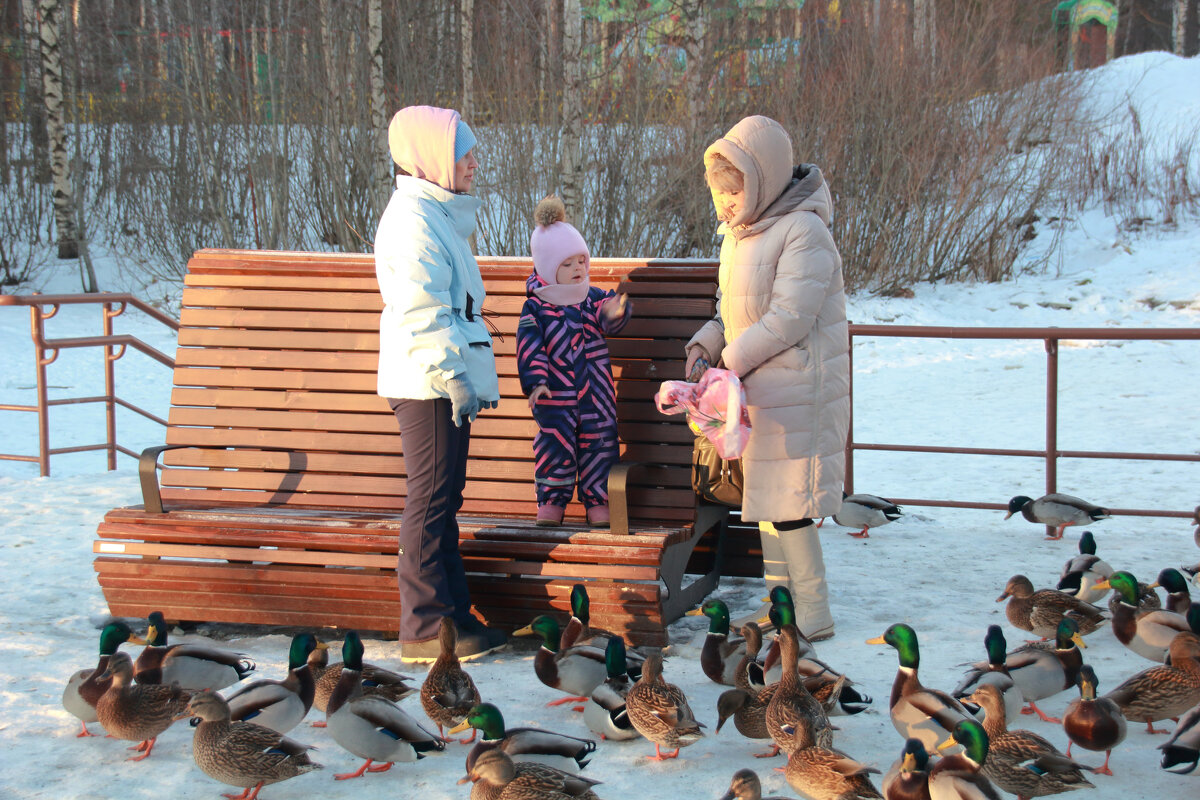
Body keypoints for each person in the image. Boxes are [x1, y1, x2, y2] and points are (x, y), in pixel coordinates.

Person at [684, 115, 850, 642]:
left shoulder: (804, 229)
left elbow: (788, 318)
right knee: (766, 507)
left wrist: (728, 362)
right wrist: (705, 347)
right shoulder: (738, 236)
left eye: (734, 191)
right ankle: (782, 611)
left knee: (792, 508)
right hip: (759, 391)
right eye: (719, 194)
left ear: (763, 180)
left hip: (799, 389)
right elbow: (731, 312)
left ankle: (814, 614)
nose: (725, 204)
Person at [374, 105, 507, 662]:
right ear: (432, 160)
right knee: (429, 499)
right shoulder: (413, 223)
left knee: (443, 497)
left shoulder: (434, 216)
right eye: (462, 153)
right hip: (428, 382)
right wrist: (452, 376)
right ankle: (424, 625)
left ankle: (450, 615)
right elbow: (421, 311)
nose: (474, 162)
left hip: (439, 377)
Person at [516, 196, 632, 528]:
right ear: (549, 269)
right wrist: (536, 382)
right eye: (568, 264)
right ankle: (552, 502)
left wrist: (616, 311)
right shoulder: (536, 309)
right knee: (555, 447)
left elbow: (608, 314)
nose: (578, 269)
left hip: (596, 397)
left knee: (601, 446)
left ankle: (599, 503)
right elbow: (529, 346)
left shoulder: (592, 298)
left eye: (582, 261)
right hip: (556, 398)